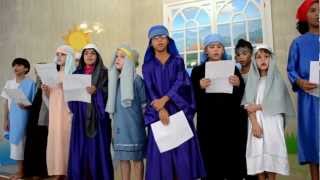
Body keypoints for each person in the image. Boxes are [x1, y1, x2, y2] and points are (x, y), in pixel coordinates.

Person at [143, 25, 206, 180]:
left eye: (163, 37)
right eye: (155, 38)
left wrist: (164, 100)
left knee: (181, 151)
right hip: (158, 112)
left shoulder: (177, 61)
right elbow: (149, 89)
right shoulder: (147, 66)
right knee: (161, 152)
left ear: (168, 40)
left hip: (178, 110)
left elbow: (181, 82)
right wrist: (160, 109)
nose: (159, 40)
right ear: (151, 42)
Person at [191, 33, 245, 179]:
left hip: (230, 121)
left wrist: (238, 84)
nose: (216, 50)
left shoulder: (233, 69)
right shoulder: (197, 71)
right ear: (206, 51)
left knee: (231, 156)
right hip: (208, 122)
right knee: (209, 157)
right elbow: (191, 96)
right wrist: (198, 86)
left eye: (219, 47)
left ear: (223, 50)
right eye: (212, 47)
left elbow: (242, 95)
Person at [243, 45, 294, 180]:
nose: (263, 60)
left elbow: (278, 103)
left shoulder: (277, 81)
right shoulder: (252, 81)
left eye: (266, 56)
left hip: (272, 122)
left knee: (271, 157)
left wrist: (257, 106)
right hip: (256, 123)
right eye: (258, 57)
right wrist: (254, 123)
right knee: (258, 156)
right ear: (254, 61)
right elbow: (248, 105)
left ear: (271, 59)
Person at [68, 44, 114, 180]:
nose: (89, 56)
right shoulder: (76, 74)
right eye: (86, 53)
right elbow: (71, 97)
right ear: (82, 56)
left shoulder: (105, 73)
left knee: (99, 149)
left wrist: (97, 92)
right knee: (81, 148)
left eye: (92, 53)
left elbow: (109, 93)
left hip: (99, 118)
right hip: (81, 117)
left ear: (98, 56)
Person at [287, 1, 319, 179]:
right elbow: (291, 69)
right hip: (309, 99)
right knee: (313, 141)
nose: (317, 14)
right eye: (313, 10)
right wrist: (299, 81)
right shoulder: (298, 43)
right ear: (304, 15)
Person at [106, 45, 146, 180]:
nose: (117, 59)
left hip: (134, 126)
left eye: (122, 57)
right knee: (123, 159)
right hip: (119, 126)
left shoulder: (137, 80)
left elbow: (144, 105)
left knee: (136, 159)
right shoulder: (115, 81)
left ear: (130, 61)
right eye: (116, 56)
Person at [41, 45, 76, 179]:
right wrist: (46, 90)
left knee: (66, 139)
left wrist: (66, 86)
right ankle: (57, 171)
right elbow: (51, 97)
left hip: (67, 112)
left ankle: (68, 171)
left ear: (69, 57)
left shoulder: (74, 74)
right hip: (55, 112)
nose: (59, 57)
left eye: (62, 54)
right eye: (57, 54)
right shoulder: (53, 75)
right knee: (55, 139)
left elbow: (77, 96)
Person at [1, 58, 36, 180]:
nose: (16, 67)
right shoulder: (9, 84)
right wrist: (5, 120)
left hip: (25, 117)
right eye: (14, 65)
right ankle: (20, 170)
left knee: (23, 144)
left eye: (19, 65)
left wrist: (27, 106)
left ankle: (22, 171)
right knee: (16, 145)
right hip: (13, 118)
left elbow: (34, 104)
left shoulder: (31, 83)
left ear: (26, 68)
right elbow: (5, 104)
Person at [24, 66, 49, 180]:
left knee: (41, 143)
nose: (37, 74)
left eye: (39, 71)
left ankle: (41, 172)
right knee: (32, 142)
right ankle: (32, 171)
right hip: (34, 119)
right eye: (36, 72)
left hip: (43, 121)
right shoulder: (36, 86)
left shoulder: (48, 85)